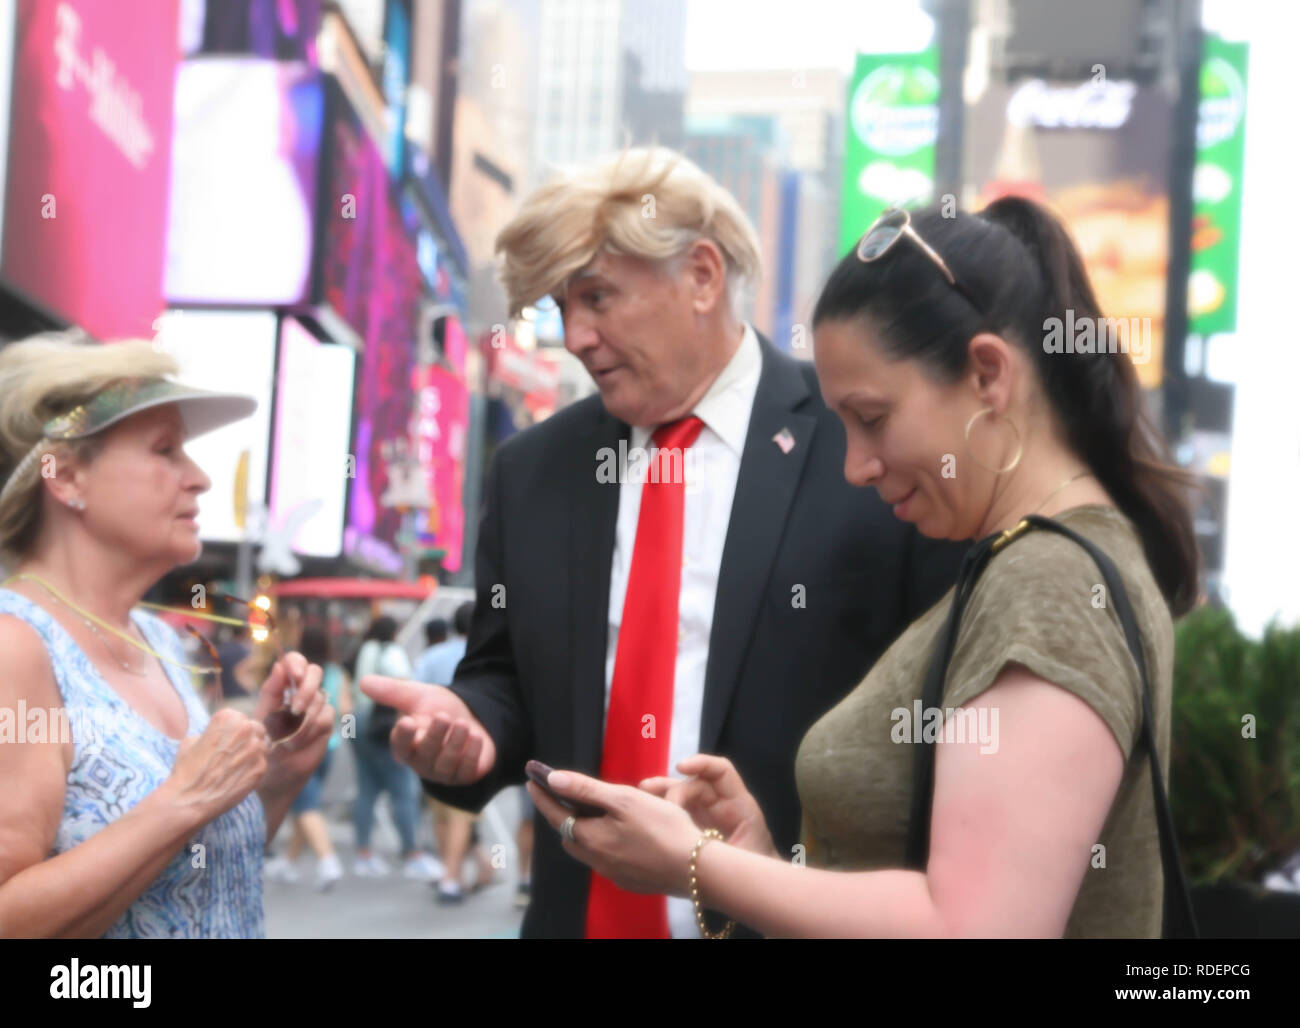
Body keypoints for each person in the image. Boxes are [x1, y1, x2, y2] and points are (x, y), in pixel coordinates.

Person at [522, 197, 1199, 938]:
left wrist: (694, 864)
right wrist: (761, 863)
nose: (854, 467)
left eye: (871, 418)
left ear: (987, 375)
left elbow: (973, 929)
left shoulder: (1049, 581)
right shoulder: (1034, 564)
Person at [362, 148, 967, 938]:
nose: (575, 336)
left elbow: (940, 721)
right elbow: (502, 673)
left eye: (598, 297)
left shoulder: (859, 447)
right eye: (559, 307)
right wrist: (470, 729)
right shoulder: (533, 471)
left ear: (703, 276)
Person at [0, 334, 334, 937]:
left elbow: (197, 883)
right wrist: (185, 798)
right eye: (165, 450)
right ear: (67, 475)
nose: (200, 478)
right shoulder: (15, 646)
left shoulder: (156, 637)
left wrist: (277, 775)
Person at [349, 616, 443, 881]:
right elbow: (403, 689)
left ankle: (363, 853)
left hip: (357, 719)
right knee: (402, 787)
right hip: (383, 724)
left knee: (366, 786)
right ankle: (412, 853)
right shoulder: (392, 652)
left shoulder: (365, 649)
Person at [413, 603, 495, 904]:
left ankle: (455, 873)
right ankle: (452, 877)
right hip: (471, 744)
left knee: (441, 812)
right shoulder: (487, 656)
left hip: (430, 742)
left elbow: (413, 693)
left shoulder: (431, 656)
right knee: (462, 814)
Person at [264, 625, 350, 890]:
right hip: (330, 745)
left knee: (305, 806)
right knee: (304, 803)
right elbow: (347, 708)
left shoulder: (296, 673)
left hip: (298, 745)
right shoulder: (337, 673)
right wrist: (346, 733)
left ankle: (329, 861)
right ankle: (289, 862)